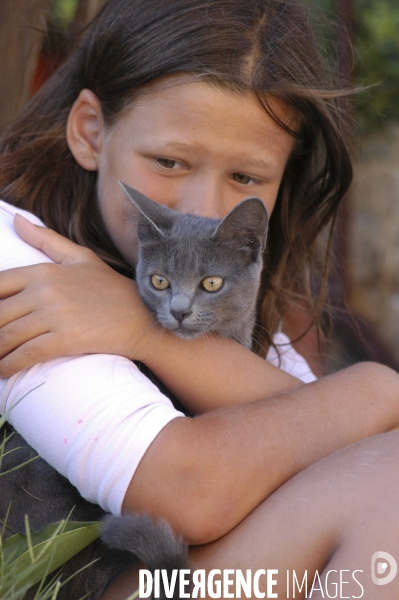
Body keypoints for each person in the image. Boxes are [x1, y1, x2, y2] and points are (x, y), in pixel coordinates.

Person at [1, 0, 399, 598]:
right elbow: (190, 491)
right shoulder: (19, 252)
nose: (203, 211)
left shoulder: (242, 299)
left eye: (246, 178)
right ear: (90, 132)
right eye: (168, 161)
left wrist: (137, 326)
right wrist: (376, 391)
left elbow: (333, 438)